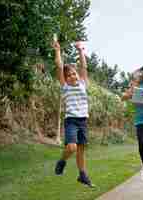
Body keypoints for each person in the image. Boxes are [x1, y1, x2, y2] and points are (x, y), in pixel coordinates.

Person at [52, 40, 94, 187]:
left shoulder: (83, 83)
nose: (73, 76)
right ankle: (62, 161)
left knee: (81, 150)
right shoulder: (65, 87)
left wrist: (81, 50)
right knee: (72, 147)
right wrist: (57, 50)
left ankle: (82, 175)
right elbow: (58, 66)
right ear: (65, 78)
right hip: (71, 121)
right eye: (69, 75)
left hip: (83, 121)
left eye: (74, 74)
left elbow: (84, 66)